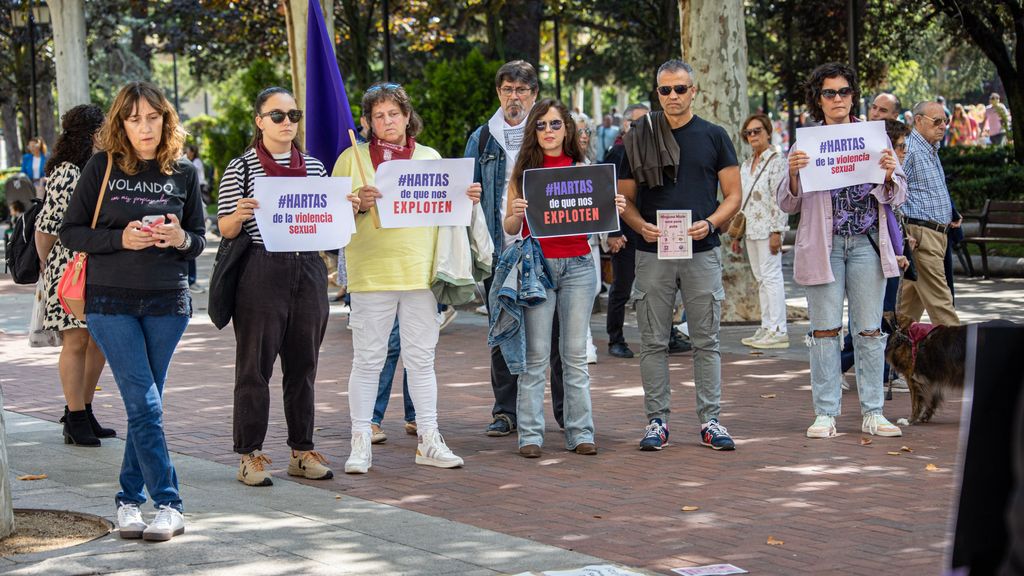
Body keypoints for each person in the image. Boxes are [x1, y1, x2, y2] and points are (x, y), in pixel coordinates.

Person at [60, 81, 205, 541]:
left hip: (168, 302)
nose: (145, 127)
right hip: (110, 302)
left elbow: (198, 239)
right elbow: (71, 232)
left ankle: (127, 500)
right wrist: (120, 238)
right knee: (144, 403)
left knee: (148, 407)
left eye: (153, 117)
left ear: (166, 119)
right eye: (134, 118)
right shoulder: (101, 167)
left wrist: (178, 237)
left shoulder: (183, 172)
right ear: (120, 122)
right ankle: (169, 503)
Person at [335, 82, 480, 474]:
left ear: (406, 115)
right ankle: (360, 440)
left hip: (420, 274)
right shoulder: (351, 159)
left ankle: (429, 439)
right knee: (367, 361)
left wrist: (466, 198)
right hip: (371, 275)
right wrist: (357, 206)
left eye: (393, 113)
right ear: (367, 122)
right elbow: (331, 223)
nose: (387, 121)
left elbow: (448, 211)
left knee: (422, 359)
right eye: (379, 115)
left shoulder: (431, 157)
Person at [217, 87, 339, 487]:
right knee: (254, 366)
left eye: (294, 115)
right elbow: (226, 228)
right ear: (259, 121)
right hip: (260, 268)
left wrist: (346, 208)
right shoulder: (242, 168)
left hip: (307, 268)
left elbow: (326, 227)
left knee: (304, 365)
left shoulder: (316, 168)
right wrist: (238, 213)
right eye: (277, 116)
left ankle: (301, 451)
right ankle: (249, 454)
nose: (287, 123)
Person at [777, 63, 906, 440]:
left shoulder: (874, 137)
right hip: (824, 248)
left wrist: (887, 175)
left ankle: (873, 412)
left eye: (844, 91)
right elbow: (786, 203)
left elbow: (900, 193)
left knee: (869, 331)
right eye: (829, 93)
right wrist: (795, 173)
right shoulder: (805, 144)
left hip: (867, 246)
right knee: (824, 332)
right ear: (819, 100)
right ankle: (825, 413)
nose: (838, 99)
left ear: (853, 95)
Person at [618, 59, 741, 452]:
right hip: (651, 252)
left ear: (694, 91)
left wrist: (711, 223)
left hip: (701, 249)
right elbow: (625, 201)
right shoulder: (638, 137)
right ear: (658, 94)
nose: (673, 96)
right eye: (665, 90)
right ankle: (657, 421)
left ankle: (711, 420)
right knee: (653, 341)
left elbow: (733, 196)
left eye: (680, 89)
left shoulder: (714, 136)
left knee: (706, 340)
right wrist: (640, 226)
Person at [502, 98, 625, 458]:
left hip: (579, 267)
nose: (548, 132)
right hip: (537, 268)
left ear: (567, 129)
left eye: (555, 125)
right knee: (536, 355)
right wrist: (515, 212)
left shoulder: (585, 169)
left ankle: (581, 432)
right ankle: (530, 436)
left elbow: (600, 222)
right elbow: (509, 227)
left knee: (574, 356)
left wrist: (613, 210)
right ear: (532, 132)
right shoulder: (522, 173)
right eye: (541, 126)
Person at [465, 60, 564, 438]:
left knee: (553, 333)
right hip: (501, 250)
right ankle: (506, 411)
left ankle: (563, 412)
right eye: (507, 90)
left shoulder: (548, 132)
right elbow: (469, 192)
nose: (514, 96)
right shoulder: (483, 138)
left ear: (534, 94)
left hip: (546, 249)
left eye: (522, 90)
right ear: (498, 93)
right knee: (503, 328)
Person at [35, 104, 112, 447]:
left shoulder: (109, 166)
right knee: (77, 340)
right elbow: (47, 227)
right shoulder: (67, 171)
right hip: (70, 266)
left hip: (104, 263)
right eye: (108, 126)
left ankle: (84, 410)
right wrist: (47, 267)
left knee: (100, 341)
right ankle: (75, 415)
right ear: (95, 133)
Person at [897, 101, 961, 327]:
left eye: (945, 121)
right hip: (922, 237)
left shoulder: (931, 149)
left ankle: (884, 358)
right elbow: (895, 193)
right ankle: (963, 358)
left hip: (934, 235)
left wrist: (950, 212)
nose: (943, 126)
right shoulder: (911, 149)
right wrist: (903, 233)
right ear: (918, 121)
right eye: (937, 121)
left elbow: (926, 191)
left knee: (904, 314)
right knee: (942, 305)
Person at [732, 113, 788, 349]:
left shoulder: (777, 161)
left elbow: (780, 198)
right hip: (751, 228)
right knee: (761, 279)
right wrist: (738, 234)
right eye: (749, 133)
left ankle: (778, 329)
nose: (753, 136)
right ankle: (767, 326)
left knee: (772, 277)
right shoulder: (746, 164)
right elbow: (742, 200)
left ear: (767, 132)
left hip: (768, 228)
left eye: (757, 131)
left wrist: (777, 230)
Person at [604, 103, 648, 359]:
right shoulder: (618, 152)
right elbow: (607, 193)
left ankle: (667, 334)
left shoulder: (652, 151)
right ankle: (615, 339)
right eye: (636, 123)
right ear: (625, 125)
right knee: (621, 286)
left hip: (647, 229)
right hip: (624, 232)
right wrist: (614, 232)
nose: (641, 129)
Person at [184, 144, 207, 293]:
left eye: (188, 151)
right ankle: (190, 280)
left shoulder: (191, 166)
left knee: (188, 240)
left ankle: (191, 280)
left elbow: (198, 236)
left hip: (194, 192)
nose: (187, 153)